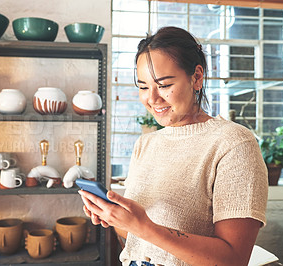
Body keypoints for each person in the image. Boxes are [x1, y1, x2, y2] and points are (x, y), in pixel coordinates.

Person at [78, 26, 268, 266]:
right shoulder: (145, 144)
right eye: (144, 87)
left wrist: (144, 227)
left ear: (196, 77)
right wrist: (118, 220)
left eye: (165, 85)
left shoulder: (233, 144)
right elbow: (137, 242)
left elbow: (233, 259)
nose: (152, 99)